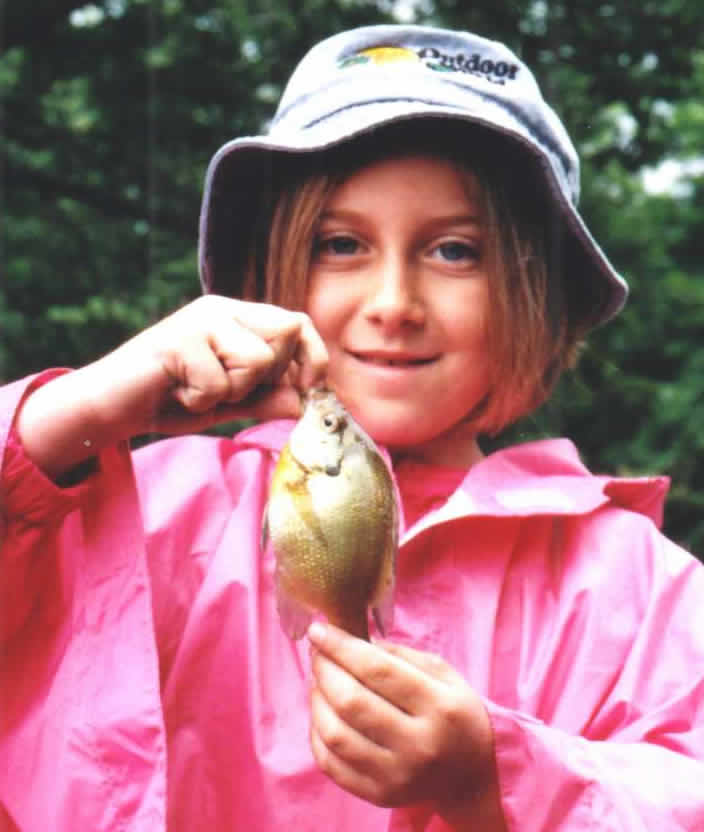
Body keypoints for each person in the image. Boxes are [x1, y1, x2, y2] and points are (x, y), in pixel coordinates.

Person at [1, 23, 703, 832]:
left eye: (454, 251)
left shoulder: (640, 585)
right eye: (342, 245)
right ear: (271, 275)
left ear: (537, 296)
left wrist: (496, 780)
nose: (393, 302)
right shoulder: (153, 511)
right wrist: (77, 415)